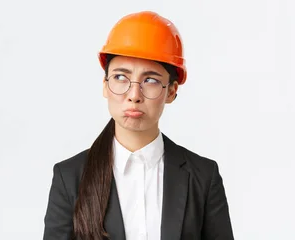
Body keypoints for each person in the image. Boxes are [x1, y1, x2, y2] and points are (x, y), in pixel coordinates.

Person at [43, 11, 234, 240]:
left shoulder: (202, 177)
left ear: (171, 91)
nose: (134, 95)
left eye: (150, 80)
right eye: (120, 77)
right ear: (105, 85)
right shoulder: (70, 177)